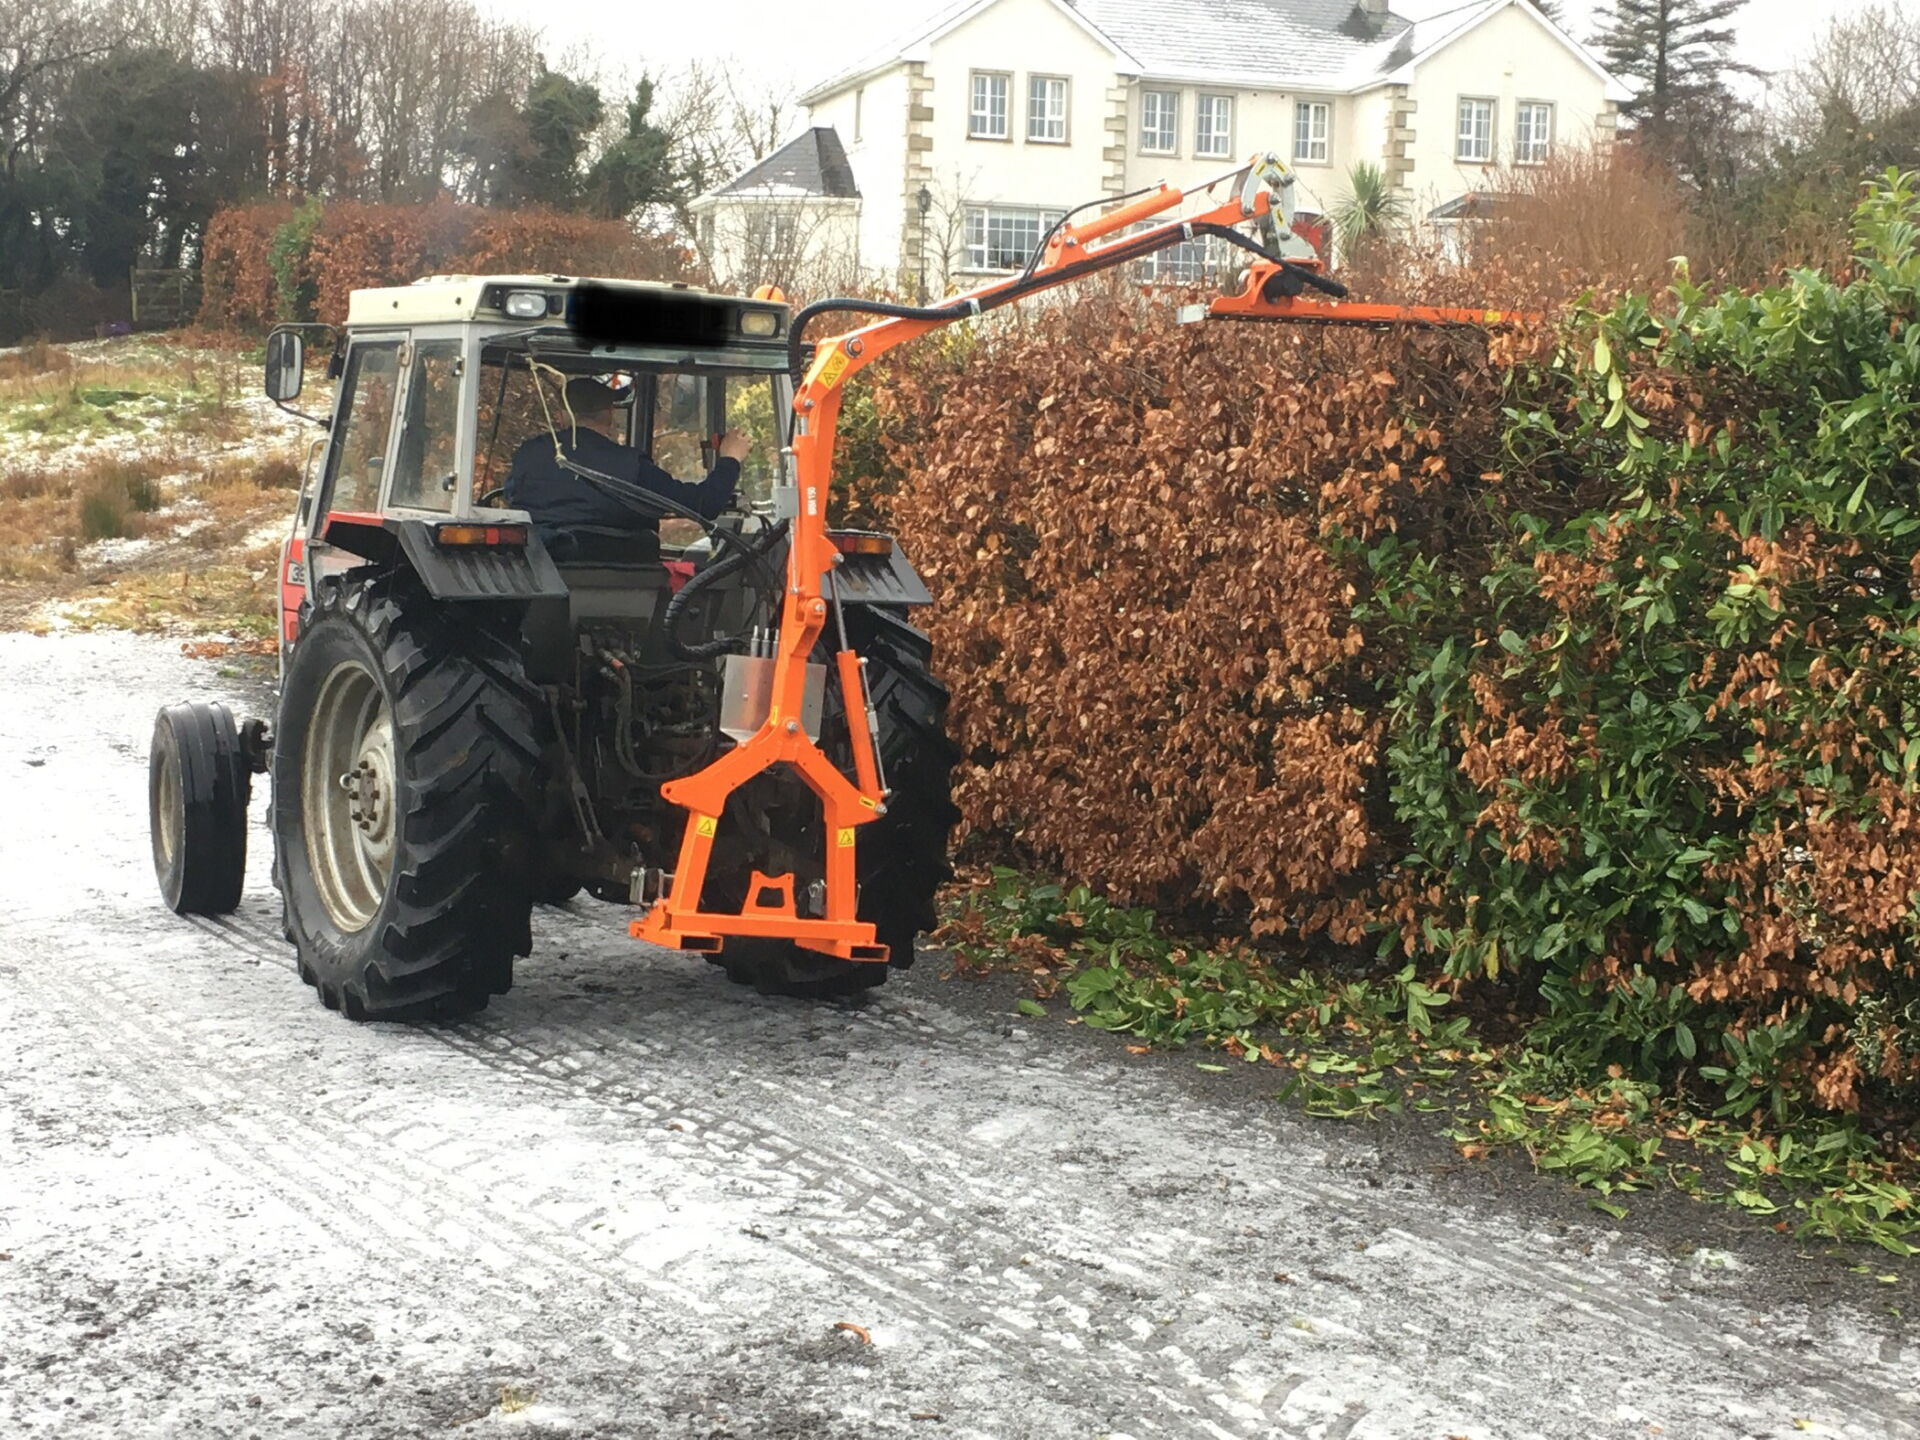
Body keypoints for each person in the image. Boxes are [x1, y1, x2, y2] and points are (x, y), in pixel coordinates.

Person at [504, 376, 749, 547]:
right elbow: (703, 504)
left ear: (561, 416)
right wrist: (730, 458)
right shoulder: (631, 465)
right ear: (610, 414)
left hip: (540, 573)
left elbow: (512, 498)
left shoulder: (528, 455)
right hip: (626, 577)